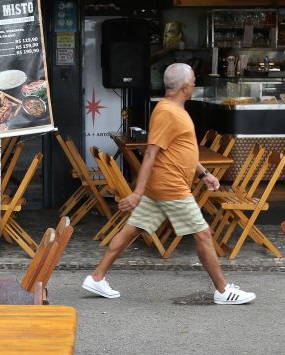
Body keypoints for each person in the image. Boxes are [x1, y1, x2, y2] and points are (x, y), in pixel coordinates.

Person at [81, 63, 256, 305]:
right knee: (203, 233)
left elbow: (180, 149)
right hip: (171, 187)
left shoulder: (174, 109)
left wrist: (204, 173)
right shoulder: (167, 112)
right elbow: (151, 153)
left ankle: (97, 277)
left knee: (133, 228)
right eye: (193, 79)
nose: (195, 83)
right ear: (185, 86)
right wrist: (136, 193)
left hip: (163, 186)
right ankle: (223, 290)